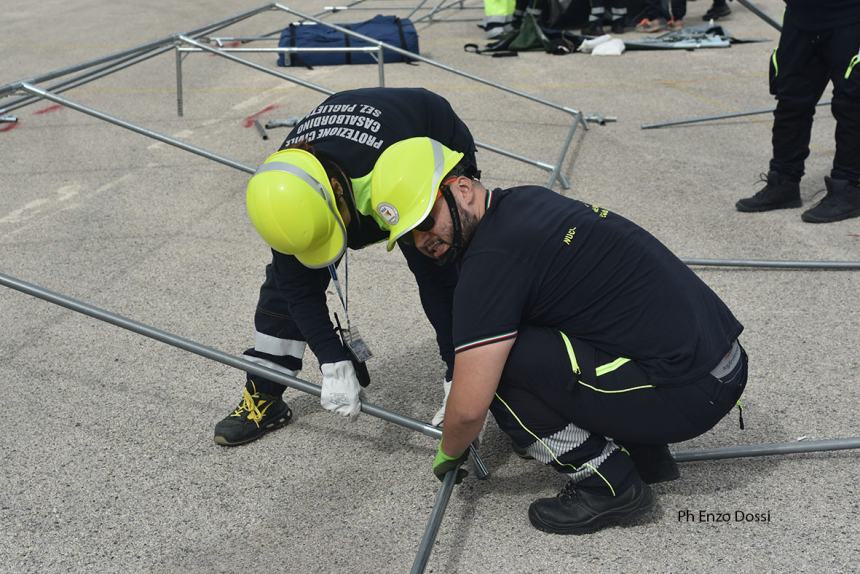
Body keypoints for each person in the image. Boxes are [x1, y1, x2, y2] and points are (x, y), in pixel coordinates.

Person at [370, 137, 748, 534]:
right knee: (541, 324)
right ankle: (646, 451)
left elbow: (467, 409)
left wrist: (449, 451)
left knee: (493, 375)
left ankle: (610, 485)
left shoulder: (491, 262)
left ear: (461, 189)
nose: (422, 241)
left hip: (690, 390)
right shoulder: (526, 201)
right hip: (717, 363)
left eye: (426, 221)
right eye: (410, 234)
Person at [213, 88, 479, 447]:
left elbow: (439, 283)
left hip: (423, 138)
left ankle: (498, 390)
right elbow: (297, 289)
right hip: (345, 169)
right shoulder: (284, 189)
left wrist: (460, 378)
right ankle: (265, 392)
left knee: (441, 258)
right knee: (282, 284)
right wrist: (331, 358)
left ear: (337, 191)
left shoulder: (394, 171)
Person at [735, 1, 860, 223]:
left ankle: (849, 187)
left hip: (850, 16)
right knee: (791, 99)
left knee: (852, 105)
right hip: (800, 16)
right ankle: (783, 181)